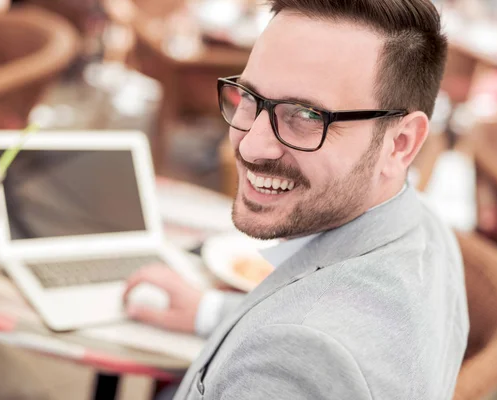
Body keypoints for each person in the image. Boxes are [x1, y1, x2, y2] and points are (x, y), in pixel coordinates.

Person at [122, 0, 469, 399]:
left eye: (305, 116)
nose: (252, 145)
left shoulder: (292, 365)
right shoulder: (423, 225)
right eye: (248, 98)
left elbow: (304, 344)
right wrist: (207, 311)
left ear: (400, 144)